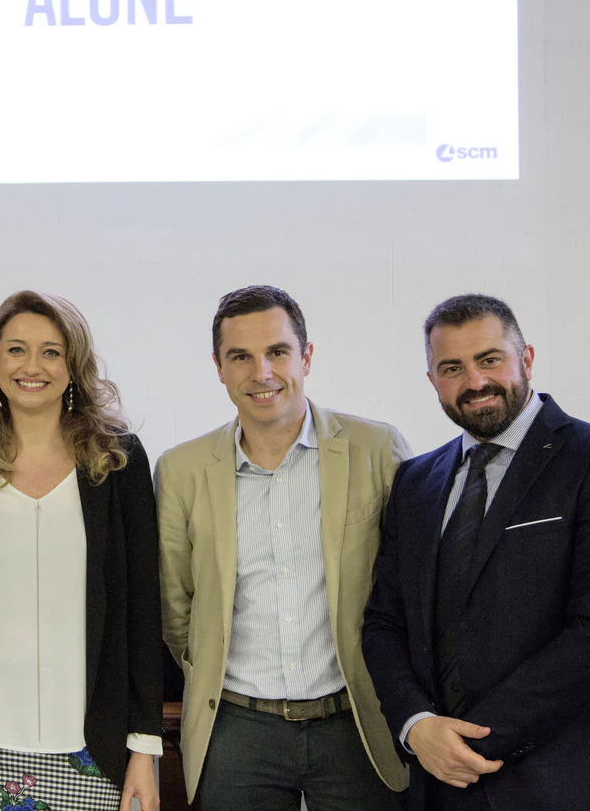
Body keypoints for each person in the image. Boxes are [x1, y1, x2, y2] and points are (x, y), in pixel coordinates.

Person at [362, 294, 590, 810]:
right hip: (441, 785)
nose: (475, 382)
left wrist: (468, 740)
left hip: (568, 782)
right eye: (452, 367)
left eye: (489, 360)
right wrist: (417, 727)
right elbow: (385, 623)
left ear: (525, 359)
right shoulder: (415, 483)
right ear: (432, 380)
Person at [155, 285, 410, 810]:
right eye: (240, 357)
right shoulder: (181, 470)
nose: (261, 372)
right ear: (219, 367)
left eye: (277, 352)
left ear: (306, 356)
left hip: (355, 722)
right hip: (238, 730)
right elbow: (176, 606)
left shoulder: (376, 451)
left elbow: (408, 587)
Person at [0, 290, 164, 811]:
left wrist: (143, 750)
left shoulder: (119, 462)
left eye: (52, 351)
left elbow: (142, 608)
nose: (33, 366)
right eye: (16, 350)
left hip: (93, 753)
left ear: (74, 366)